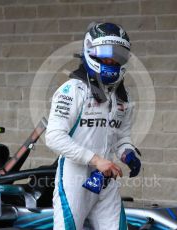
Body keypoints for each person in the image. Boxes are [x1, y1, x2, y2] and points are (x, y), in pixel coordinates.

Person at [45, 22, 141, 230]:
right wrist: (95, 160)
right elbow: (54, 137)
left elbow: (121, 138)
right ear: (89, 51)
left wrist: (129, 155)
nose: (111, 60)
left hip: (106, 179)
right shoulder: (72, 90)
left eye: (118, 55)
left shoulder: (123, 97)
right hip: (74, 178)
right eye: (105, 53)